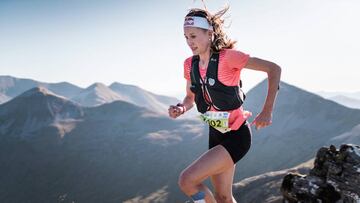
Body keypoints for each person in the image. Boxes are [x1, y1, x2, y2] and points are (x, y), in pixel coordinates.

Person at [168, 5, 281, 203]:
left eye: (193, 36)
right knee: (223, 197)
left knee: (187, 181)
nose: (189, 42)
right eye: (186, 37)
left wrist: (267, 111)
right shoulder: (189, 64)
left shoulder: (229, 58)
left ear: (209, 34)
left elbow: (274, 69)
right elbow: (190, 97)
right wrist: (181, 107)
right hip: (216, 134)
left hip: (237, 136)